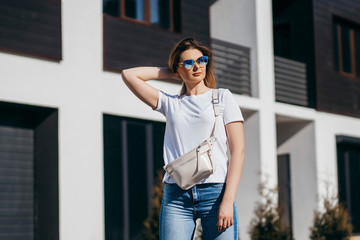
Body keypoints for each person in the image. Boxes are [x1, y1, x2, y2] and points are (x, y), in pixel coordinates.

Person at [121, 37, 245, 240]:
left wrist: (227, 201)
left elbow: (238, 151)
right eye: (189, 62)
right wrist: (171, 70)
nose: (197, 66)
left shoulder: (222, 97)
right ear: (178, 69)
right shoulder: (171, 104)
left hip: (216, 193)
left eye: (201, 60)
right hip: (177, 197)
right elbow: (129, 75)